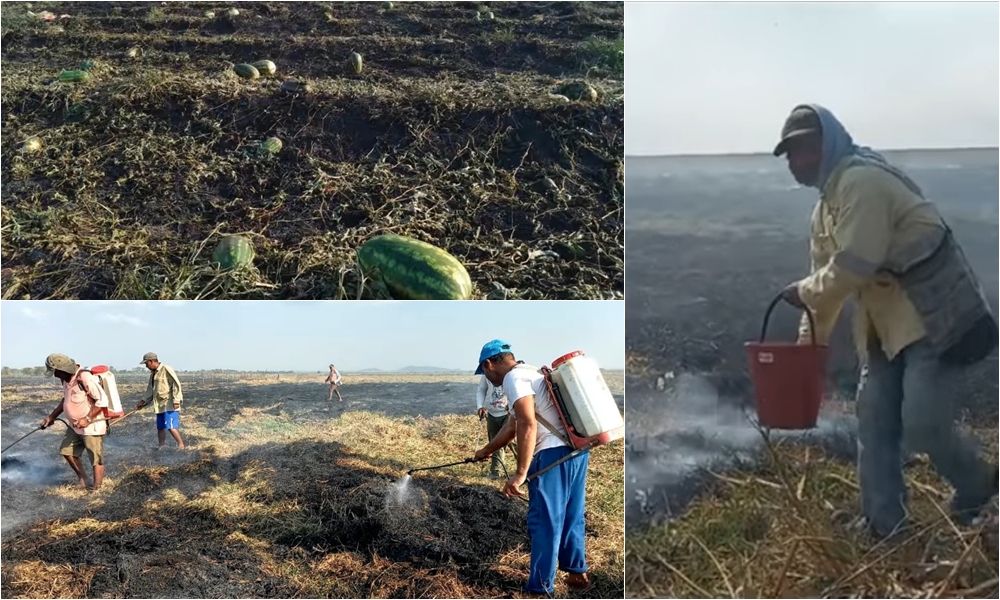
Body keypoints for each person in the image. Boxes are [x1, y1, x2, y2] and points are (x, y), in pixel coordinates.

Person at [773, 104, 998, 539]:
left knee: (922, 422)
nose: (796, 162)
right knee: (873, 422)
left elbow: (853, 268)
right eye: (790, 154)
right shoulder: (823, 213)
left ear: (827, 145)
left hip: (932, 318)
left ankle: (978, 489)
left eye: (803, 149)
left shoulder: (862, 182)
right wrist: (805, 354)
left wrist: (802, 290)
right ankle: (883, 526)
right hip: (882, 333)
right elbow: (824, 295)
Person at [472, 340, 592, 596]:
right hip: (576, 450)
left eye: (485, 373)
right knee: (572, 513)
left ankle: (539, 588)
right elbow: (511, 427)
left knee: (545, 522)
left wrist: (520, 474)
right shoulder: (532, 372)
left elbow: (527, 425)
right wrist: (487, 450)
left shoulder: (512, 380)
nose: (488, 378)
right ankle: (576, 571)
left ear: (488, 364)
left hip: (551, 455)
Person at [39, 353, 108, 490]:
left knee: (95, 459)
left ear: (63, 369)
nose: (55, 375)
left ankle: (97, 490)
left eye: (55, 372)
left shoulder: (84, 377)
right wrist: (52, 417)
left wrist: (87, 419)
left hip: (91, 425)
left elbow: (102, 401)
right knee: (67, 451)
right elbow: (66, 399)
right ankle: (83, 479)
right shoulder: (65, 379)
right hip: (74, 426)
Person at [136, 352, 186, 450]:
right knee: (160, 427)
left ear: (151, 361)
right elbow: (150, 389)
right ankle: (161, 446)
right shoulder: (153, 374)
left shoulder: (166, 369)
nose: (146, 366)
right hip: (159, 404)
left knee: (171, 426)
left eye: (146, 364)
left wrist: (176, 400)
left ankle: (181, 445)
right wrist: (143, 401)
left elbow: (176, 385)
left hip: (169, 403)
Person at [476, 373, 516, 479]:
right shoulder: (486, 376)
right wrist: (480, 406)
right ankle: (495, 472)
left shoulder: (509, 375)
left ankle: (526, 471)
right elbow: (481, 389)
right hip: (492, 413)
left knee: (512, 442)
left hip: (507, 413)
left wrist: (512, 405)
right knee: (495, 442)